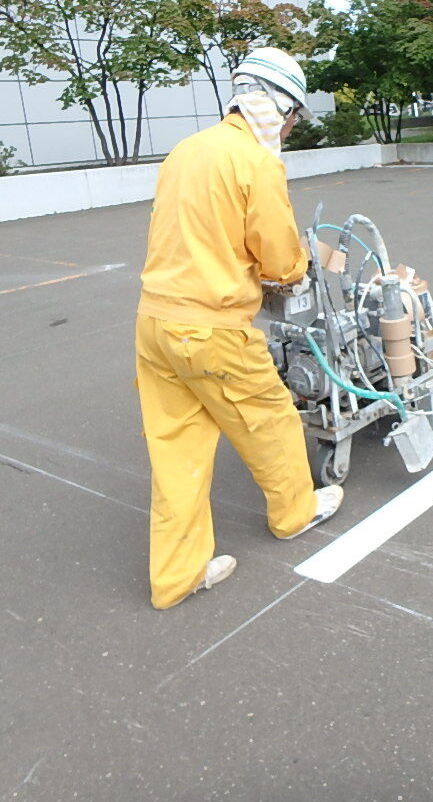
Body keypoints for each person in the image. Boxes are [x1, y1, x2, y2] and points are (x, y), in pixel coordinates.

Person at [135, 47, 343, 610]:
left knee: (176, 449)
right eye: (293, 115)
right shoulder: (256, 161)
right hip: (212, 328)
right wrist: (297, 270)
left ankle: (176, 577)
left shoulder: (186, 150)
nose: (292, 126)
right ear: (278, 107)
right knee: (268, 418)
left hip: (155, 322)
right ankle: (296, 512)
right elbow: (279, 259)